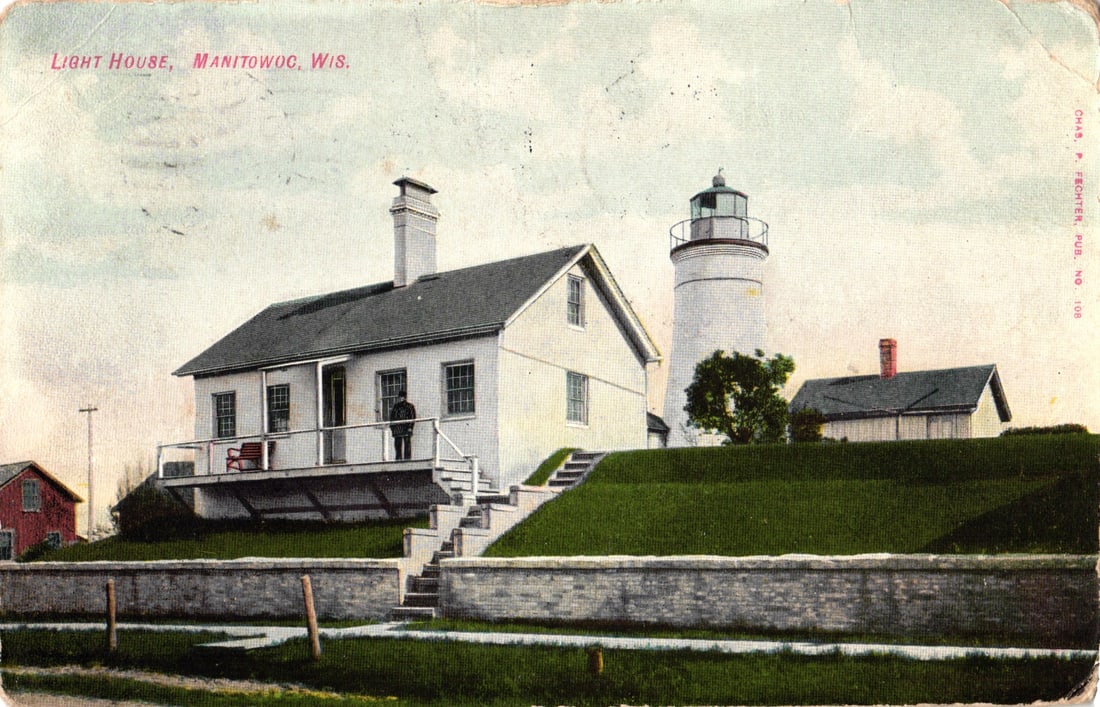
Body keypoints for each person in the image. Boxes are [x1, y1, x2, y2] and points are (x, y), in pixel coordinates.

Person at [389, 390, 417, 460]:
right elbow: (392, 417)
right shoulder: (396, 407)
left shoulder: (410, 406)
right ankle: (398, 458)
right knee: (397, 444)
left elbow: (412, 417)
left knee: (407, 443)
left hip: (406, 427)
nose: (401, 398)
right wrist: (392, 427)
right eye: (400, 397)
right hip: (398, 428)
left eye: (402, 397)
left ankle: (407, 458)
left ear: (405, 397)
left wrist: (410, 427)